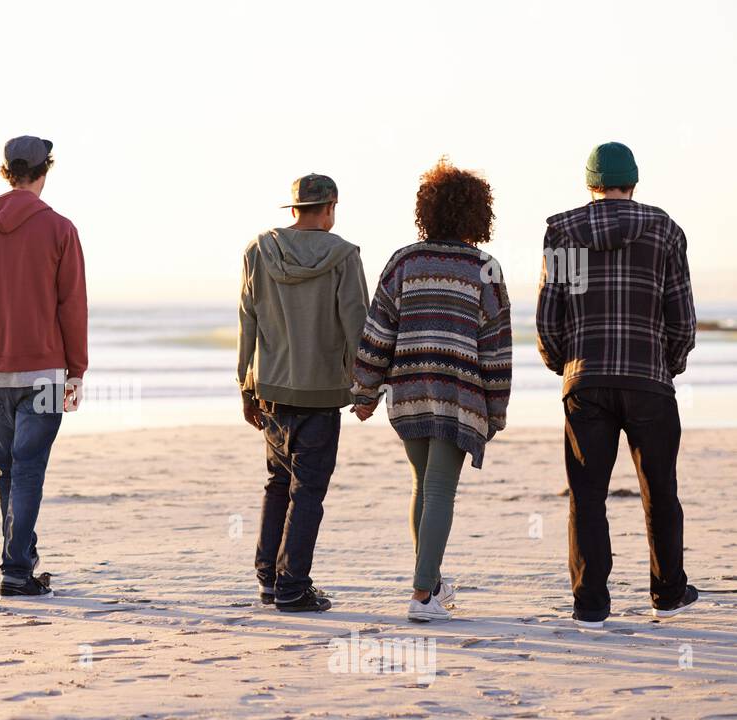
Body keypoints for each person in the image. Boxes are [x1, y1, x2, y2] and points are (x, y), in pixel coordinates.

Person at [536, 142, 699, 628]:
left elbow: (549, 317)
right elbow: (682, 318)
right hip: (648, 380)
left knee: (587, 495)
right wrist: (666, 366)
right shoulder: (664, 229)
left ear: (590, 184)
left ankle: (590, 605)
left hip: (586, 381)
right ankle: (667, 592)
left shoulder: (563, 232)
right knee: (660, 490)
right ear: (634, 181)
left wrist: (568, 366)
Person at [351, 159, 512, 623]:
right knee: (440, 488)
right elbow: (496, 346)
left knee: (424, 484)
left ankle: (434, 583)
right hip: (459, 393)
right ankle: (422, 595)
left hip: (409, 391)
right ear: (478, 215)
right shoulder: (485, 269)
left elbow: (377, 330)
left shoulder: (405, 262)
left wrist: (365, 390)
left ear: (428, 211)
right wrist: (496, 408)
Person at [0, 136, 88, 598]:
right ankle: (16, 568)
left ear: (6, 171)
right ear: (44, 170)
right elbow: (73, 306)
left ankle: (22, 558)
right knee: (28, 470)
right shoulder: (60, 229)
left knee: (7, 470)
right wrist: (77, 372)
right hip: (47, 374)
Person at [238, 174, 369, 613]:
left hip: (271, 387)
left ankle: (268, 579)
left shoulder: (258, 250)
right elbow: (357, 325)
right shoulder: (344, 256)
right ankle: (293, 586)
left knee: (278, 483)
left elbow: (248, 321)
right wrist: (366, 386)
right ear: (330, 207)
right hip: (322, 391)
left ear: (293, 209)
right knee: (307, 491)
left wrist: (245, 384)